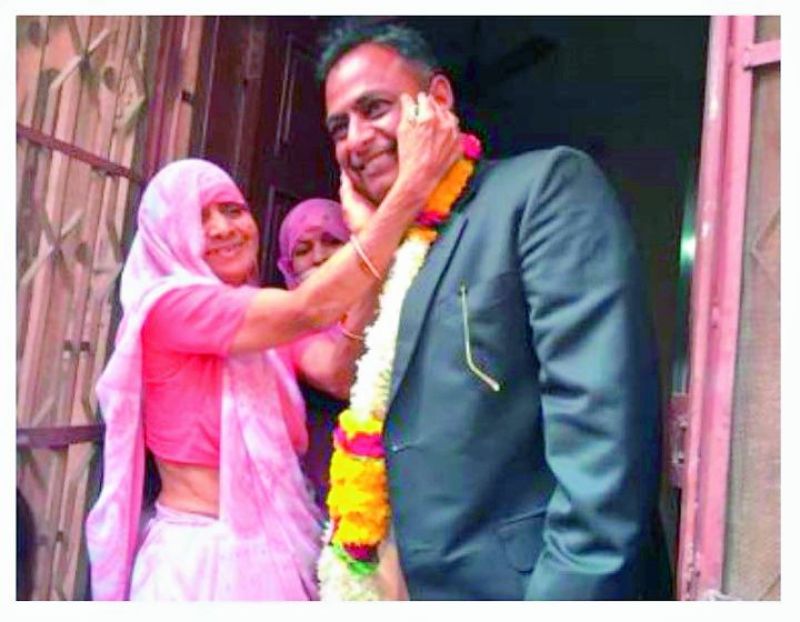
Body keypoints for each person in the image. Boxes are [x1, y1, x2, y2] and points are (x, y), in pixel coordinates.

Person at [315, 21, 671, 600]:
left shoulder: (541, 193)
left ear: (437, 102)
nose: (355, 139)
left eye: (373, 108)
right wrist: (373, 236)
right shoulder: (389, 251)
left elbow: (604, 453)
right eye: (339, 126)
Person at [84, 100, 462, 600]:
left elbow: (334, 372)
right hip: (202, 565)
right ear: (168, 238)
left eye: (233, 209)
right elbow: (308, 309)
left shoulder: (261, 317)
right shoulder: (171, 307)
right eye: (200, 219)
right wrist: (410, 191)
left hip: (282, 547)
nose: (223, 228)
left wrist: (370, 241)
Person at [276, 198, 365, 513]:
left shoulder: (395, 304)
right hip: (324, 496)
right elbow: (339, 379)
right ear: (288, 266)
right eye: (303, 250)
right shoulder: (288, 326)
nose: (319, 257)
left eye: (332, 241)